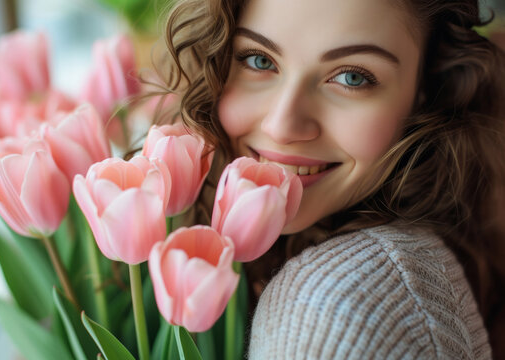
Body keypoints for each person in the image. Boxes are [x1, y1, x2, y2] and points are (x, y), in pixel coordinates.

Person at [146, 0, 505, 358]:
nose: (281, 126)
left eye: (352, 77)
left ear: (425, 91)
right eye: (259, 60)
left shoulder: (339, 305)